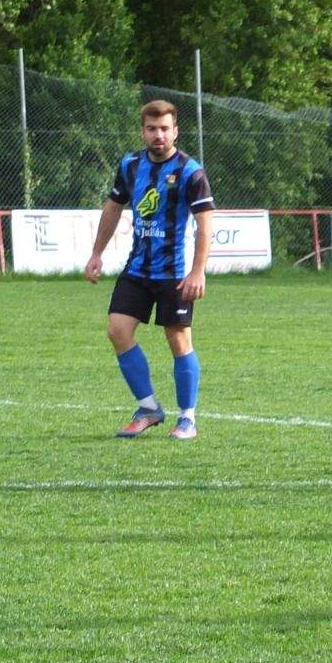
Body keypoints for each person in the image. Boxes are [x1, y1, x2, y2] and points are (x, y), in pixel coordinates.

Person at [85, 100, 213, 440]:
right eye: (152, 129)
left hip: (175, 272)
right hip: (138, 269)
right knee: (117, 330)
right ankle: (149, 408)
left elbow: (205, 224)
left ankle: (187, 418)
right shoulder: (130, 166)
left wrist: (198, 271)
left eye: (165, 129)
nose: (158, 135)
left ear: (175, 131)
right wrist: (96, 253)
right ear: (143, 131)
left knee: (178, 338)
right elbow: (113, 208)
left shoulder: (190, 171)